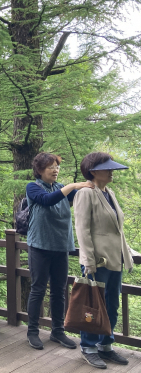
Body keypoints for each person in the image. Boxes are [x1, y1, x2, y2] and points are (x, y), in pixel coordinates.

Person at [25, 152, 94, 350]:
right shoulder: (33, 187)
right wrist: (72, 185)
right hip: (39, 246)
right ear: (40, 170)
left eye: (57, 167)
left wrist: (91, 184)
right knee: (38, 289)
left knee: (59, 291)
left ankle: (57, 331)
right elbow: (47, 200)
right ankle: (32, 332)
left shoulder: (60, 187)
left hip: (61, 246)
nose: (55, 170)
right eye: (51, 167)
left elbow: (82, 197)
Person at [74, 152, 136, 369]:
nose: (111, 172)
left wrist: (128, 251)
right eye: (107, 168)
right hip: (97, 261)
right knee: (92, 306)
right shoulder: (85, 193)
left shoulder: (108, 192)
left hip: (115, 258)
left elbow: (117, 229)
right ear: (93, 172)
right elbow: (82, 229)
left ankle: (105, 345)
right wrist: (88, 259)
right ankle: (88, 347)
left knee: (111, 304)